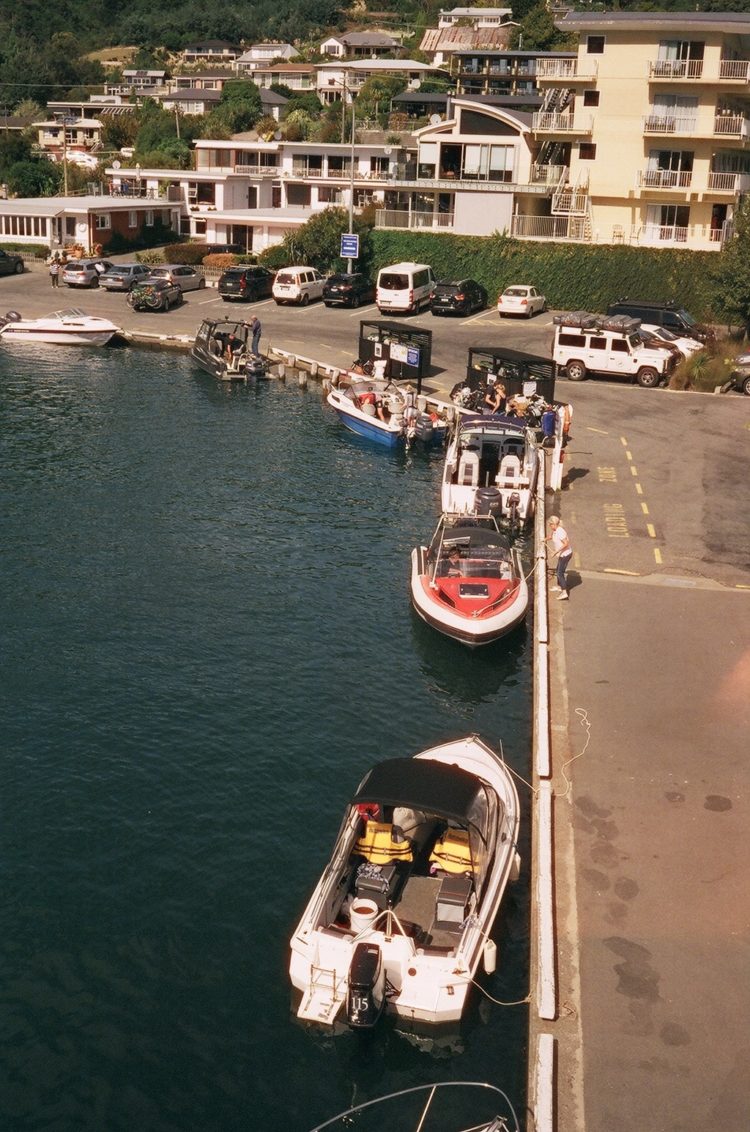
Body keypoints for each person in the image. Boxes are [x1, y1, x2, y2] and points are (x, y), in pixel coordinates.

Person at [546, 515, 572, 600]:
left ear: (553, 524)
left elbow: (566, 544)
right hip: (562, 555)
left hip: (566, 555)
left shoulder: (560, 531)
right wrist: (544, 539)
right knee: (558, 570)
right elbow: (551, 537)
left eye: (550, 525)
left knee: (560, 573)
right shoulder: (555, 530)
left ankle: (564, 592)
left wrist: (555, 552)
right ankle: (559, 586)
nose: (549, 526)